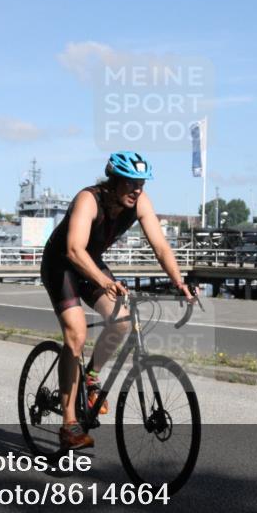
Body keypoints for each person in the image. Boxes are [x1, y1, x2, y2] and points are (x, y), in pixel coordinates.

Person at [40, 151, 195, 450]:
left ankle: (91, 377)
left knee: (122, 321)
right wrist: (105, 281)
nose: (137, 189)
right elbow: (73, 250)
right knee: (76, 333)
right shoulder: (89, 199)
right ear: (114, 182)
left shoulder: (140, 203)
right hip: (62, 263)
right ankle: (69, 425)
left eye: (142, 184)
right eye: (131, 183)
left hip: (91, 262)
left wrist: (179, 281)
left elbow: (161, 246)